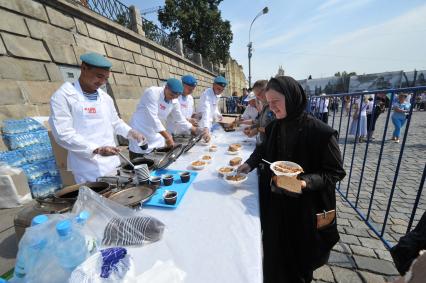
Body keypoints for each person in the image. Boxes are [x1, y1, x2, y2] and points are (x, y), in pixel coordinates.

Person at [238, 76, 346, 282]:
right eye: (269, 103)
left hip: (304, 210)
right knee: (273, 257)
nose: (272, 108)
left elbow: (334, 172)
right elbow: (261, 150)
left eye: (276, 102)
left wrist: (305, 182)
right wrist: (249, 164)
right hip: (275, 205)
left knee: (298, 264)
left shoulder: (320, 132)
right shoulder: (273, 127)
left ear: (292, 97)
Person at [49, 52, 145, 183]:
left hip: (112, 162)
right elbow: (63, 134)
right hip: (87, 166)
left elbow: (116, 122)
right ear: (83, 68)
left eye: (105, 79)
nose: (101, 82)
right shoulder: (63, 96)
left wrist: (131, 132)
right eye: (99, 76)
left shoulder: (105, 98)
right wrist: (97, 149)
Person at [129, 78, 198, 158]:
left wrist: (194, 129)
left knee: (158, 157)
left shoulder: (174, 101)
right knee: (140, 158)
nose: (172, 98)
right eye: (171, 95)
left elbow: (180, 119)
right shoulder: (152, 92)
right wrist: (168, 137)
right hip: (141, 129)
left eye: (176, 97)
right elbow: (153, 118)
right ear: (166, 87)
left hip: (156, 133)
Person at [197, 76, 227, 141]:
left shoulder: (217, 94)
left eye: (222, 90)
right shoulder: (207, 94)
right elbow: (206, 111)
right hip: (202, 123)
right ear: (213, 85)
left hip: (209, 123)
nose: (220, 91)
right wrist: (206, 128)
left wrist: (219, 115)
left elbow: (214, 108)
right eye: (218, 89)